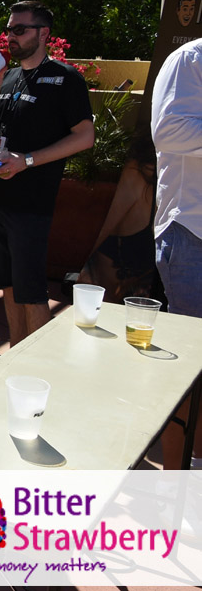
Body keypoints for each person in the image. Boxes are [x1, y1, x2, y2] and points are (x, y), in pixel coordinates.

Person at [0, 1, 94, 346]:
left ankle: (40, 367)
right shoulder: (10, 77)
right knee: (9, 286)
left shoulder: (65, 79)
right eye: (9, 29)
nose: (10, 36)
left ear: (44, 33)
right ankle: (16, 355)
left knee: (31, 291)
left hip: (31, 205)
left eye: (20, 29)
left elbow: (85, 137)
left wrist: (27, 160)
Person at [150, 32, 202, 469]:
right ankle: (178, 479)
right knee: (192, 369)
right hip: (191, 234)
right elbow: (167, 131)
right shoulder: (190, 58)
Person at [78, 132, 159, 302]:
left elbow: (105, 225)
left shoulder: (140, 172)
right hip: (118, 282)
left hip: (124, 270)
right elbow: (102, 228)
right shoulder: (140, 173)